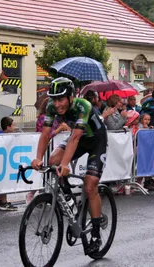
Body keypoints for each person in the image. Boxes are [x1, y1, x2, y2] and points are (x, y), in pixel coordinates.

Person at [31, 77, 107, 254]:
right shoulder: (50, 106)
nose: (57, 104)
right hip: (78, 139)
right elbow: (45, 135)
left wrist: (66, 164)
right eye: (54, 99)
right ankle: (69, 198)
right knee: (53, 161)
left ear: (71, 97)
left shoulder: (83, 106)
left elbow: (74, 138)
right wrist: (38, 158)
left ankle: (95, 235)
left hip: (96, 140)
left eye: (61, 99)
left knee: (90, 186)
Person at [27, 97, 71, 204]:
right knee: (43, 173)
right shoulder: (43, 118)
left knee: (55, 172)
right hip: (46, 149)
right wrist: (59, 129)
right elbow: (48, 134)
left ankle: (59, 194)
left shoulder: (55, 118)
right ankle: (31, 195)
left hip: (52, 148)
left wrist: (65, 128)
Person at [0, 117, 19, 211]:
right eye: (13, 125)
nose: (15, 127)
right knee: (3, 179)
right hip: (0, 162)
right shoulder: (3, 136)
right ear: (8, 127)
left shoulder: (0, 134)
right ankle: (3, 201)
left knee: (2, 179)